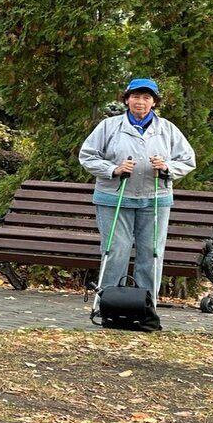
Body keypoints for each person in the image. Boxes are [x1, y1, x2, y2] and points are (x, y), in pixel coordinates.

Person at [79, 77, 195, 304]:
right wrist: (113, 169)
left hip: (155, 198)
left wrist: (167, 167)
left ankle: (145, 306)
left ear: (154, 102)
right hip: (114, 197)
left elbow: (188, 160)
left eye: (146, 97)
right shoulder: (108, 126)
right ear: (127, 99)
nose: (140, 102)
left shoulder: (168, 129)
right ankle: (107, 304)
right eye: (135, 96)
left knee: (151, 253)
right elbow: (87, 155)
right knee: (115, 251)